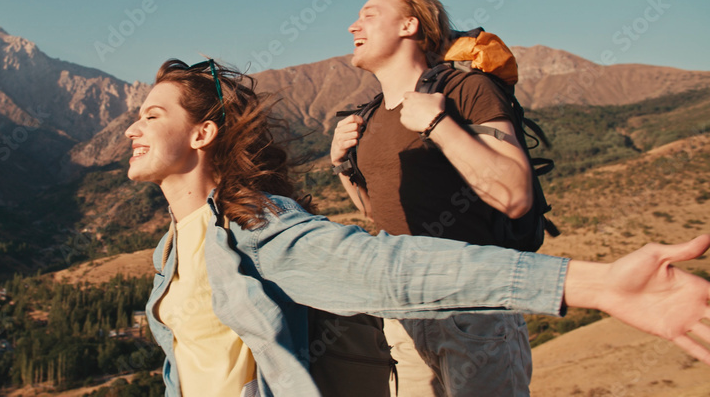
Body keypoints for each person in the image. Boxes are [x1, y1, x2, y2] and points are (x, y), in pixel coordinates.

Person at [126, 57, 710, 397]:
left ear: (202, 135)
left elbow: (391, 268)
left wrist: (594, 285)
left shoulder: (254, 227)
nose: (132, 128)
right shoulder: (170, 249)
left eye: (153, 115)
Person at [330, 0, 536, 396]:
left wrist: (438, 125)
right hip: (402, 314)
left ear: (409, 25)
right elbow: (376, 212)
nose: (354, 25)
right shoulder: (368, 117)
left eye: (369, 15)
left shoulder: (465, 90)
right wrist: (341, 165)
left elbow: (515, 194)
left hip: (473, 308)